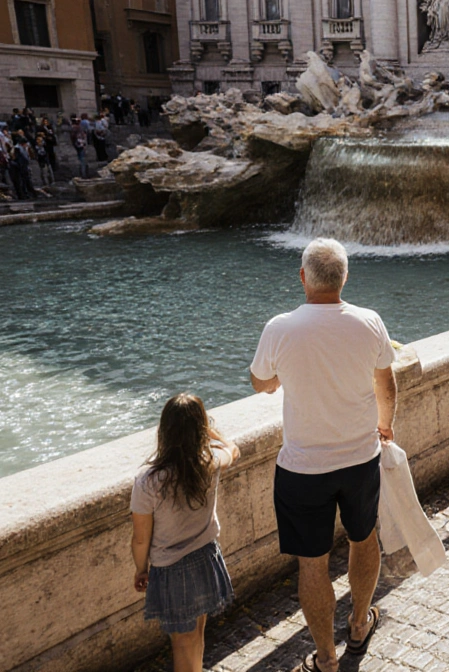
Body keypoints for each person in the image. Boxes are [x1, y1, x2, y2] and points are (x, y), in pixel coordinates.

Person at [250, 238, 398, 672]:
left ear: (302, 278)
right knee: (363, 537)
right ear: (345, 277)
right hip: (360, 458)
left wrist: (278, 378)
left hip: (302, 468)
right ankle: (357, 624)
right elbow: (385, 385)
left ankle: (327, 659)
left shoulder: (280, 327)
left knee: (312, 563)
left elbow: (260, 382)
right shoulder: (369, 322)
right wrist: (385, 425)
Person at [131, 394, 240, 672]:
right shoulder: (210, 463)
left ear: (164, 431)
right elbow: (233, 449)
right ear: (200, 430)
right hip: (205, 558)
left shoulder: (149, 481)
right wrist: (210, 432)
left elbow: (141, 538)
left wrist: (141, 569)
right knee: (198, 637)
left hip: (172, 568)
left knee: (182, 643)